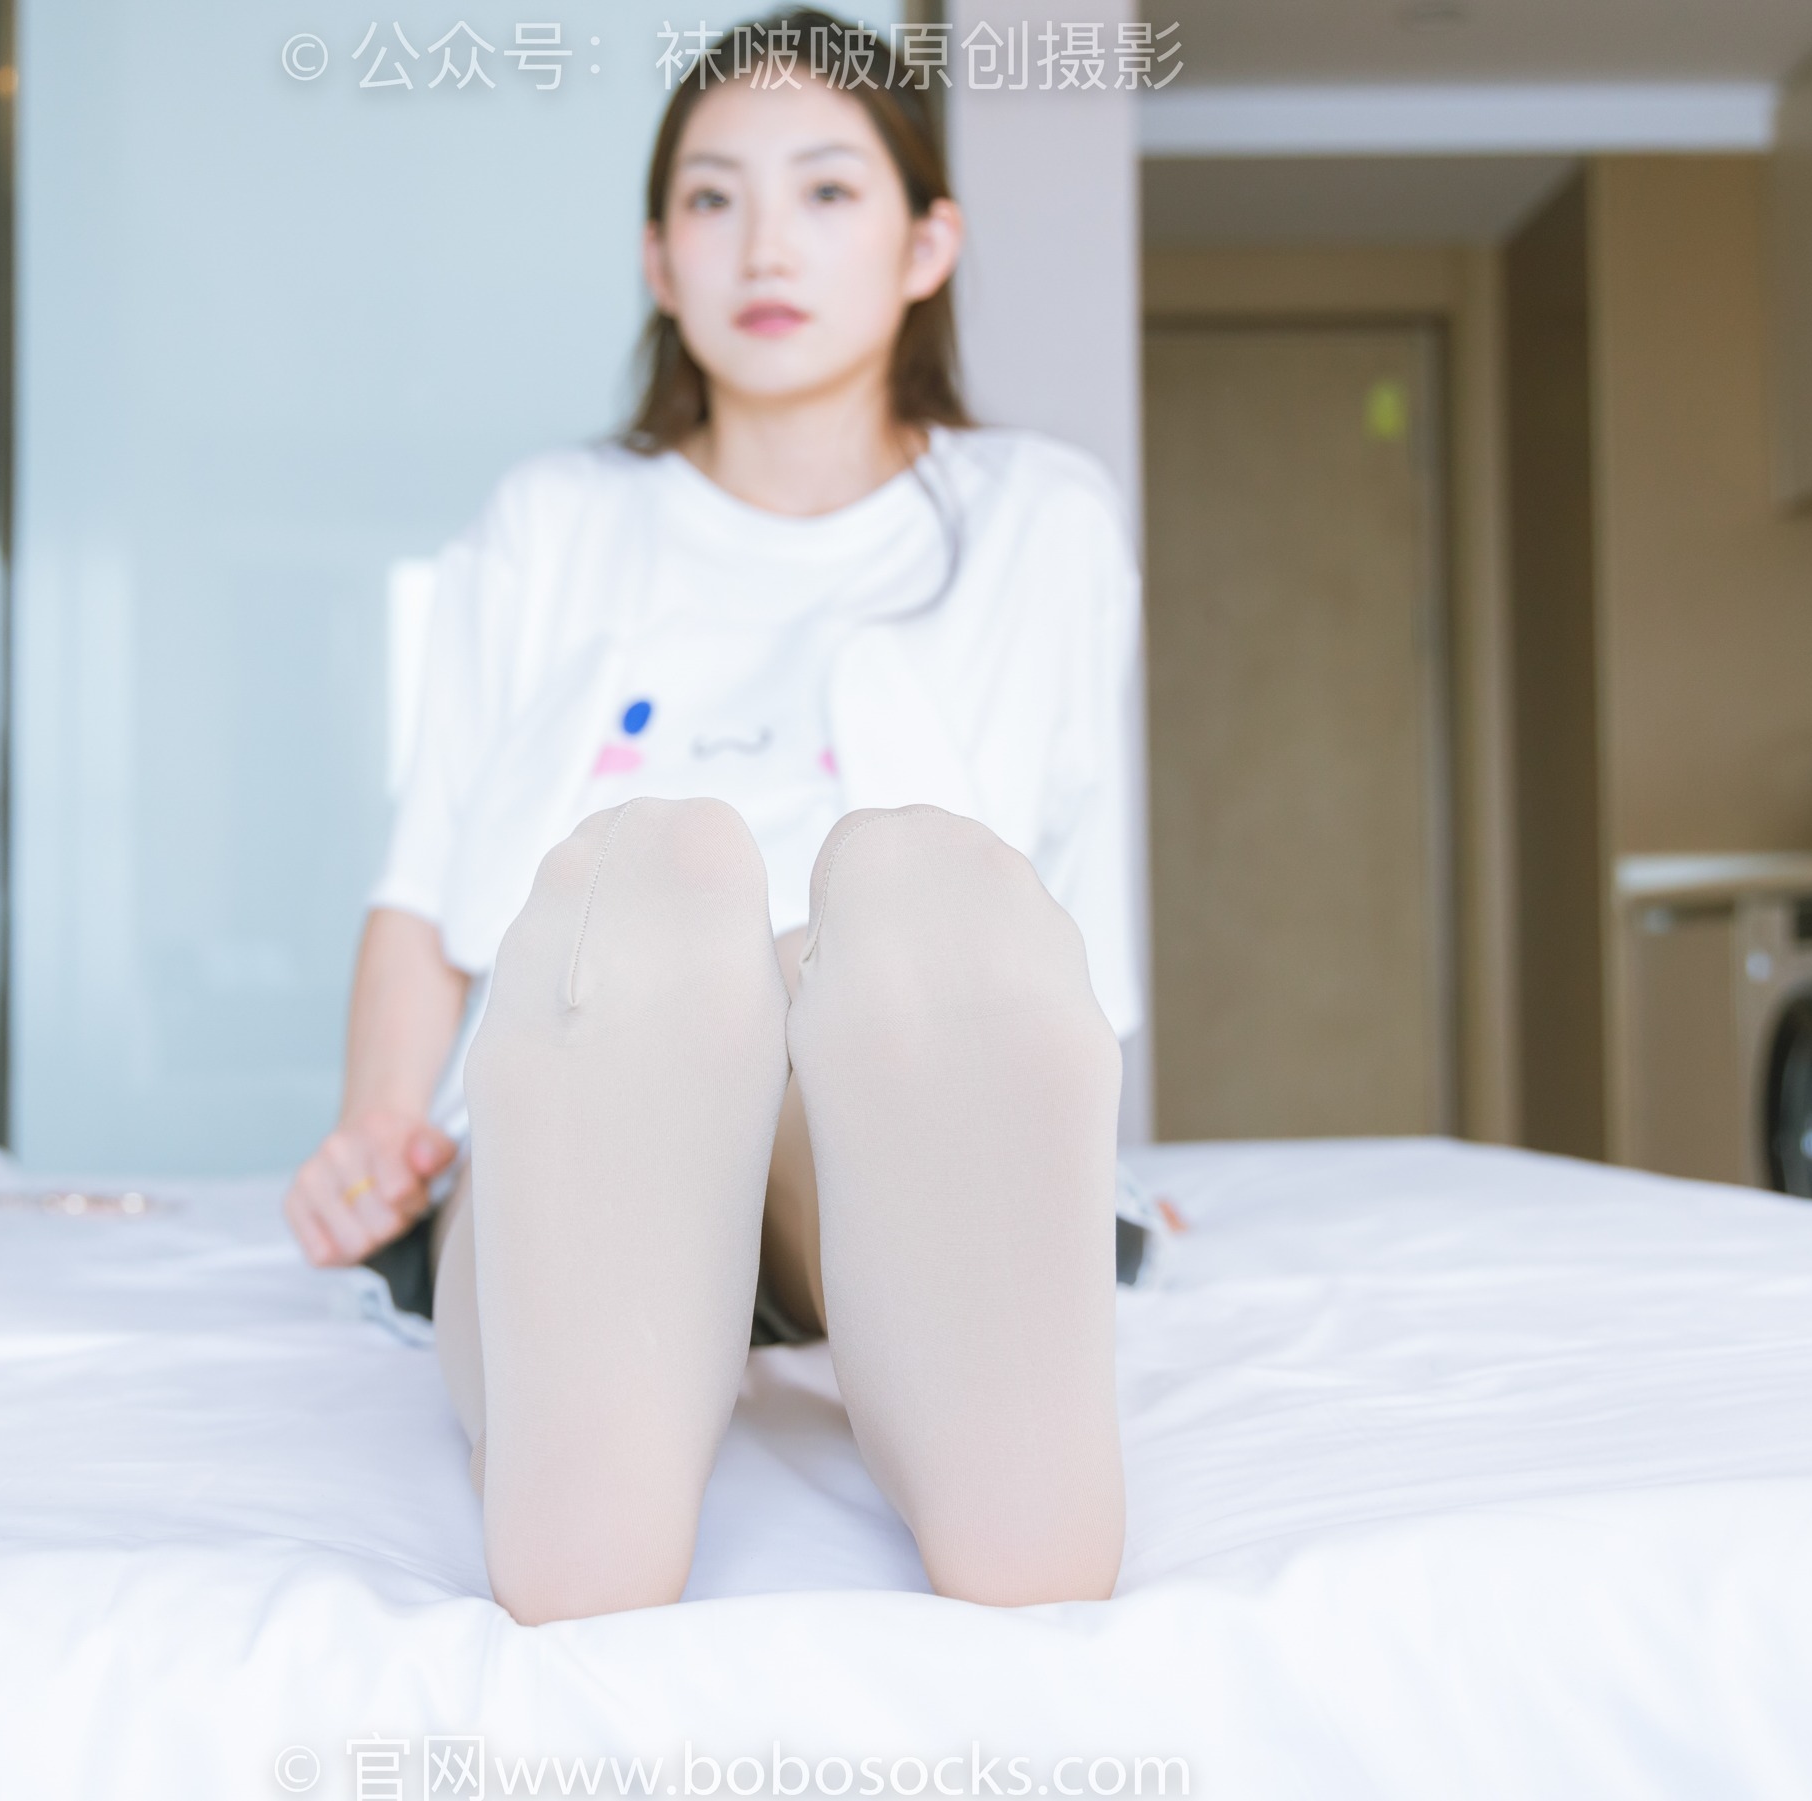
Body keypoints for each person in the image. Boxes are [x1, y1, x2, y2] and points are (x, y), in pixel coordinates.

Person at [283, 8, 1142, 1626]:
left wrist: (1092, 1146)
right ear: (658, 261)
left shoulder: (1038, 521)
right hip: (594, 1040)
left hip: (870, 1060)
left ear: (926, 244)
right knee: (640, 946)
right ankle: (600, 1471)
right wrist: (377, 1135)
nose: (765, 245)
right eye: (711, 198)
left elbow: (1079, 876)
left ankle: (973, 1415)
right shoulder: (553, 522)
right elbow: (426, 884)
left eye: (826, 190)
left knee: (884, 941)